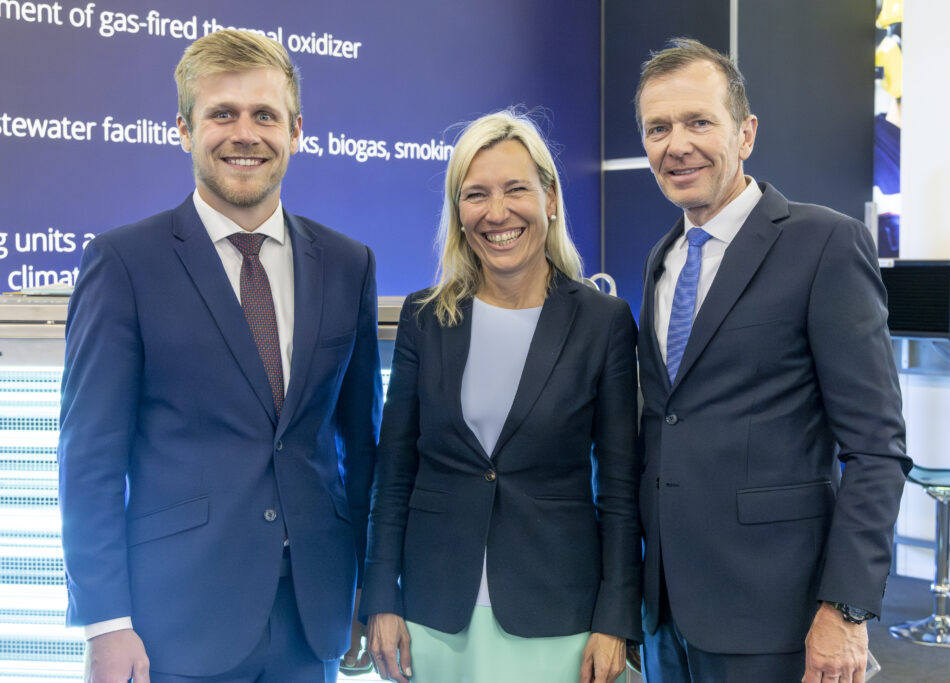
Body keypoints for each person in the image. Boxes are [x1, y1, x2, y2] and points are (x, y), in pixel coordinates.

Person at [58, 29, 382, 683]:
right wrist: (105, 621)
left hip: (312, 618)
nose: (245, 134)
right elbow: (89, 459)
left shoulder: (349, 264)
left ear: (296, 131)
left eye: (264, 115)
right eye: (222, 114)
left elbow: (361, 444)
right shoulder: (124, 263)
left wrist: (367, 592)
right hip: (174, 625)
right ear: (184, 129)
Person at [633, 38, 911, 682]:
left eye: (699, 121)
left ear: (746, 132)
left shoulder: (825, 244)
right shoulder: (662, 260)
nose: (677, 144)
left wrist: (845, 608)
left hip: (779, 614)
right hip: (667, 609)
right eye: (658, 128)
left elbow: (876, 448)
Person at [361, 109, 642, 683]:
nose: (497, 213)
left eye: (516, 189)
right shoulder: (423, 318)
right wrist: (379, 600)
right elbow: (393, 475)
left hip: (559, 615)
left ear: (551, 197)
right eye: (476, 195)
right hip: (434, 615)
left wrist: (616, 620)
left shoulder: (602, 321)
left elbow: (619, 490)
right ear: (458, 212)